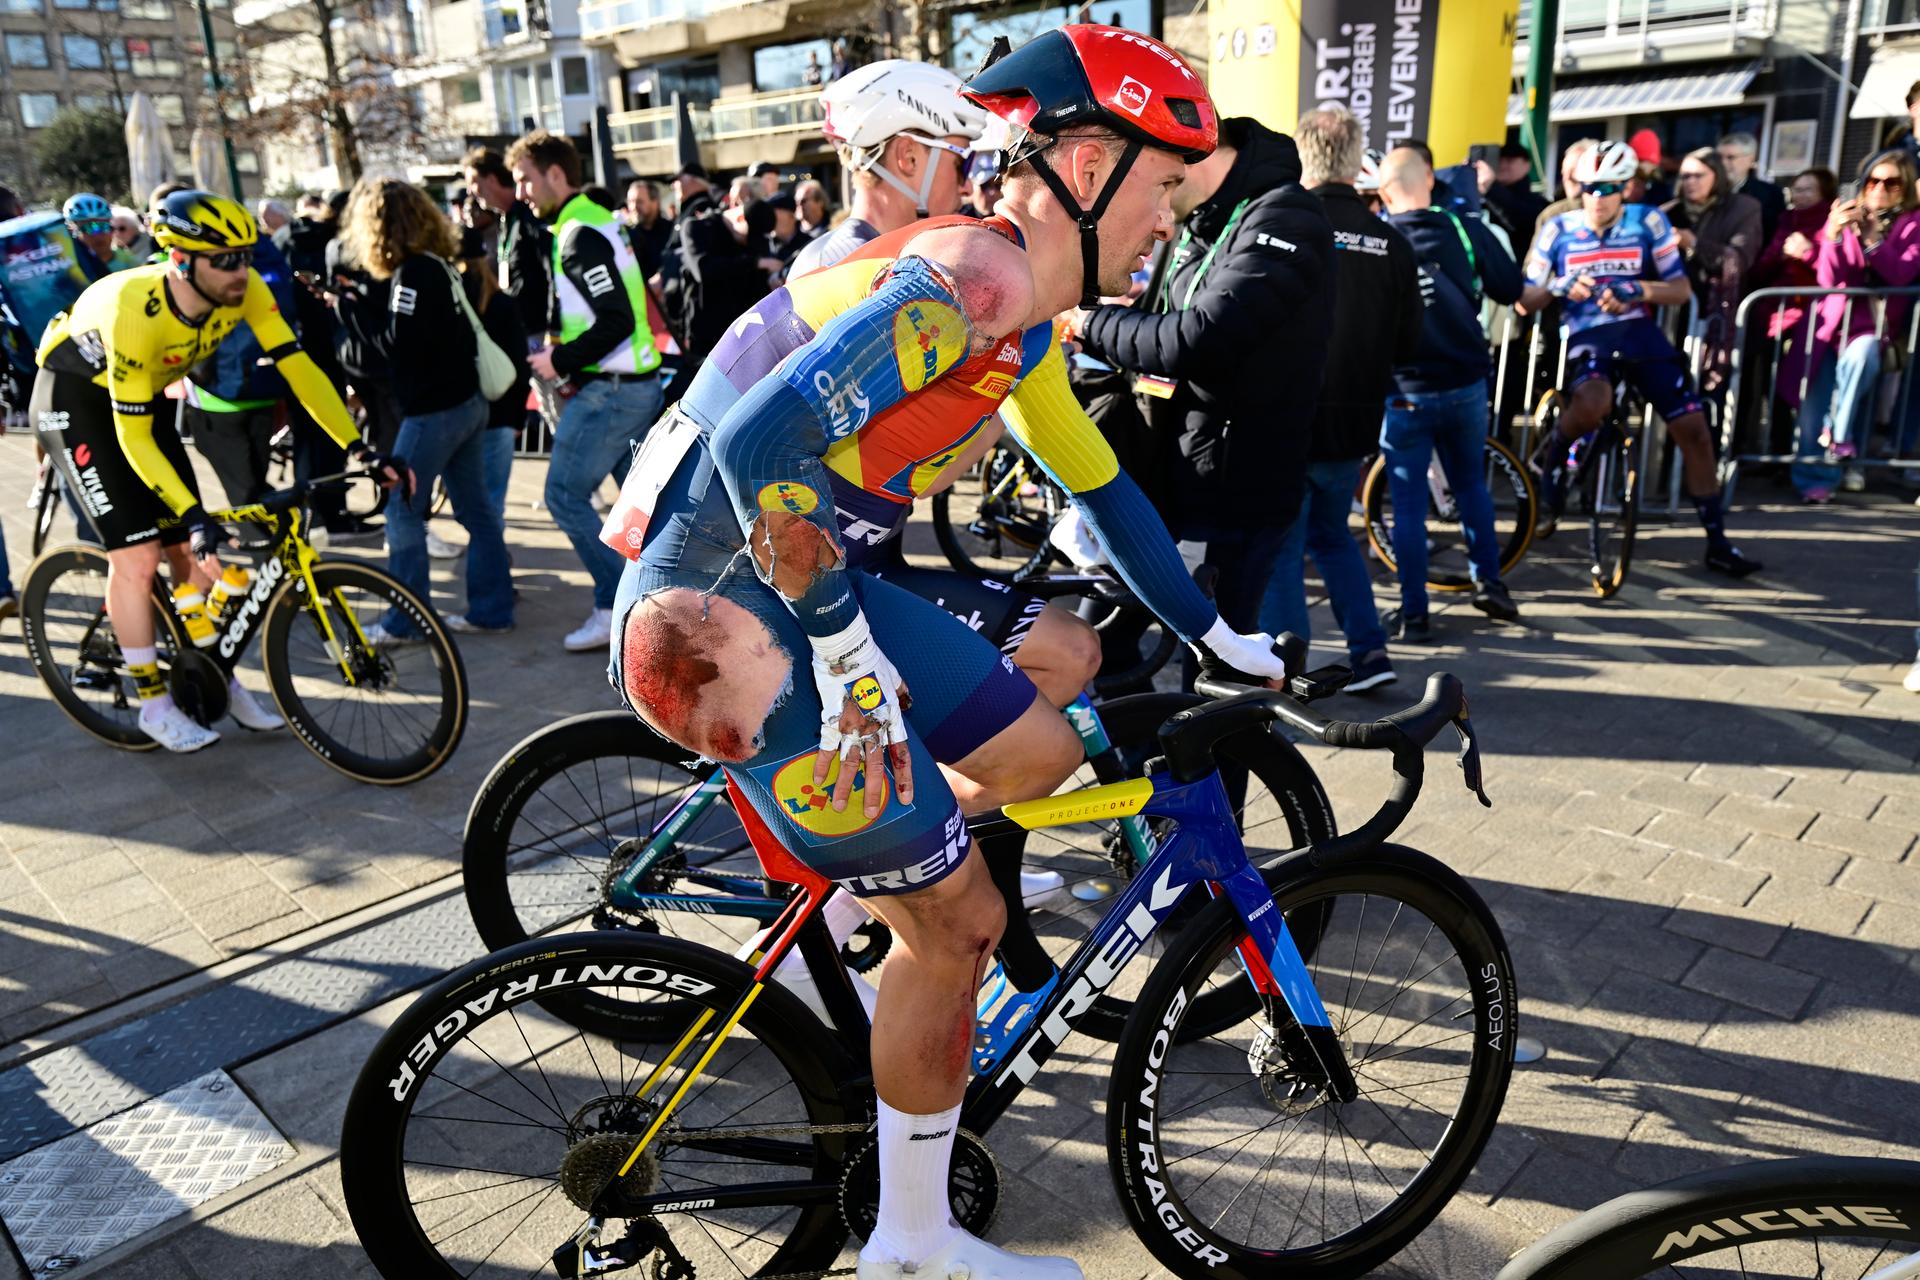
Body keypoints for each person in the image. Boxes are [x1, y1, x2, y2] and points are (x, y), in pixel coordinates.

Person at [613, 26, 1293, 1280]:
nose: (1175, 233)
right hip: (715, 623)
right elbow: (754, 456)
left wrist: (1217, 631)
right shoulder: (971, 281)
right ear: (1084, 167)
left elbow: (1105, 491)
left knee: (1040, 740)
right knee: (963, 921)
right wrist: (841, 646)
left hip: (802, 585)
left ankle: (886, 884)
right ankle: (911, 1243)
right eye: (1165, 196)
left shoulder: (1025, 315)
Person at [31, 190, 403, 751]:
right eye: (225, 259)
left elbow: (299, 370)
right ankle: (153, 706)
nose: (241, 270)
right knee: (138, 555)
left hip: (139, 400)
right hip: (75, 404)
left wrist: (360, 448)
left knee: (188, 550)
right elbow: (131, 436)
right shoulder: (134, 306)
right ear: (180, 259)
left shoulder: (244, 290)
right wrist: (188, 510)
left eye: (247, 255)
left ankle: (215, 675)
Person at [1069, 105, 1334, 654]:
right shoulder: (1202, 217)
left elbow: (1198, 338)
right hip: (1170, 472)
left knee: (1219, 663)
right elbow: (1169, 314)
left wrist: (1089, 323)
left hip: (1236, 492)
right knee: (1102, 642)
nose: (1158, 212)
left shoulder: (1288, 217)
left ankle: (1215, 736)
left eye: (1162, 184)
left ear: (1196, 158)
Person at [1519, 141, 1761, 576]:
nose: (1595, 197)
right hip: (1586, 336)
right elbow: (1524, 301)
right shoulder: (1558, 228)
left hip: (1640, 335)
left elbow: (1680, 289)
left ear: (1626, 187)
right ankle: (1551, 461)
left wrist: (1641, 290)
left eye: (1607, 188)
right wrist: (1558, 285)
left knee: (1694, 430)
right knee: (1592, 404)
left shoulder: (1648, 221)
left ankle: (1717, 541)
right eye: (1588, 187)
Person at [1263, 107, 1421, 689]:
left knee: (1284, 547)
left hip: (1291, 418)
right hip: (1355, 421)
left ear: (1302, 154)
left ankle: (1288, 671)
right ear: (1358, 162)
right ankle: (1371, 654)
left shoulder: (1284, 226)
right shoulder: (1391, 242)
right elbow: (1408, 342)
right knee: (1331, 535)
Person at [508, 128, 667, 652]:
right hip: (627, 386)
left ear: (556, 174)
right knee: (643, 508)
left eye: (525, 180)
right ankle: (662, 597)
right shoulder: (589, 223)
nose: (522, 193)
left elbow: (617, 319)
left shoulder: (578, 231)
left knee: (562, 494)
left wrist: (558, 359)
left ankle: (614, 604)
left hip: (617, 392)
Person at [342, 178, 514, 639]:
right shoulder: (436, 266)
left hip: (436, 412)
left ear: (381, 227)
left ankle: (406, 620)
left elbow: (399, 346)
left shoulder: (414, 272)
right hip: (465, 404)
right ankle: (493, 609)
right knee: (477, 513)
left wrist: (348, 310)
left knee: (401, 508)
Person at [1376, 146, 1523, 640]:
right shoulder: (1464, 227)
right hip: (1465, 384)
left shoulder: (1377, 239)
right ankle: (1491, 585)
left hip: (1404, 391)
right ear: (1431, 179)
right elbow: (1510, 288)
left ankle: (1414, 613)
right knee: (1470, 486)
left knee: (1410, 505)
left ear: (1382, 191)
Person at [1790, 149, 1920, 501]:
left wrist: (1873, 239)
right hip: (1829, 324)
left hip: (1870, 328)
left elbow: (1900, 274)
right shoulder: (1847, 214)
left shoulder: (1913, 223)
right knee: (1812, 408)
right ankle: (1813, 481)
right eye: (1873, 180)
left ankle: (1839, 432)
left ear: (1904, 187)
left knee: (1860, 358)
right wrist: (1833, 233)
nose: (1879, 188)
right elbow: (1830, 277)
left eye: (1891, 182)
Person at [788, 59, 987, 276]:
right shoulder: (849, 270)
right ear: (908, 157)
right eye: (962, 164)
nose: (967, 187)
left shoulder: (830, 257)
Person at [183, 231, 300, 509]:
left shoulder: (183, 263)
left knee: (245, 496)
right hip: (264, 389)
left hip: (215, 398)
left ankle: (269, 548)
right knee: (255, 485)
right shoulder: (264, 257)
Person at [1744, 167, 1836, 457]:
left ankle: (1796, 452)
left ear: (1824, 193)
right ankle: (1771, 449)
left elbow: (1834, 272)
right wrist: (1780, 255)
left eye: (1808, 189)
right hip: (1773, 313)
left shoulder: (1831, 222)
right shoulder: (1785, 220)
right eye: (1797, 188)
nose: (1801, 195)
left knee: (1798, 387)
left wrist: (1808, 253)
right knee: (1766, 385)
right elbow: (1760, 268)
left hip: (1813, 318)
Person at [1664, 147, 1763, 399]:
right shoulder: (1669, 212)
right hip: (1672, 317)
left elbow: (1738, 259)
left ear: (1716, 176)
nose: (1690, 182)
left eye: (1698, 175)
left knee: (1711, 397)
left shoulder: (1743, 208)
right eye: (1685, 176)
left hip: (1717, 315)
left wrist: (1694, 244)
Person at [460, 253, 531, 517]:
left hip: (456, 413)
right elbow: (520, 365)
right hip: (500, 413)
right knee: (491, 504)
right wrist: (518, 417)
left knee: (469, 504)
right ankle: (490, 556)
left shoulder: (447, 303)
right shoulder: (503, 303)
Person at [464, 145, 551, 348]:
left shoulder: (530, 214)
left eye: (474, 182)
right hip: (521, 329)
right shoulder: (504, 218)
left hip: (540, 331)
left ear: (492, 179)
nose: (470, 191)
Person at [1718, 132, 1786, 246]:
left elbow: (1772, 236)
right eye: (1719, 158)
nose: (1723, 163)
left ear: (1750, 160)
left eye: (1730, 157)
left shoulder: (1770, 194)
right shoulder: (1706, 191)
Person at [1536, 139, 1595, 238]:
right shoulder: (1552, 215)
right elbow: (1537, 253)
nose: (1567, 178)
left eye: (1573, 171)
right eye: (1564, 172)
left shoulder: (1621, 210)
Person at [1484, 143, 1548, 234]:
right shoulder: (1482, 197)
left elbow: (1519, 218)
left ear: (1527, 165)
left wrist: (1491, 186)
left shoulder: (1539, 204)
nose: (1502, 165)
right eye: (1498, 160)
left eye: (1509, 160)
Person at [64, 193, 130, 279]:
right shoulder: (68, 271)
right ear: (72, 231)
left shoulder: (129, 264)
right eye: (89, 228)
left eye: (104, 226)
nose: (98, 234)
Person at [623, 178, 672, 277]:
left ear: (655, 202)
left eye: (639, 202)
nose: (633, 207)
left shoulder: (671, 230)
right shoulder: (625, 234)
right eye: (630, 202)